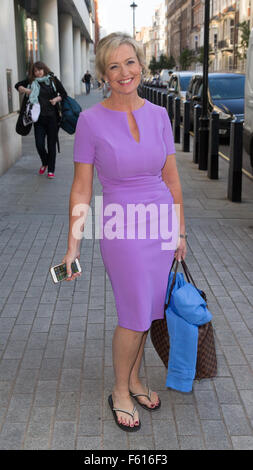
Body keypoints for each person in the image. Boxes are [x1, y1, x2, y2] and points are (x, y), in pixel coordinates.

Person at [62, 32, 187, 432]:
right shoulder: (90, 120)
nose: (124, 72)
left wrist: (179, 231)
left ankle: (134, 379)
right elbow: (82, 187)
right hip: (120, 224)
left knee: (149, 310)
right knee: (134, 314)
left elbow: (171, 178)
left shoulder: (160, 115)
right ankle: (119, 389)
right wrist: (73, 246)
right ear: (102, 73)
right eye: (113, 65)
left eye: (129, 62)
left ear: (141, 65)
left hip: (161, 222)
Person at [15, 61, 67, 179]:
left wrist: (56, 99)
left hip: (53, 118)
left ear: (44, 69)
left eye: (40, 70)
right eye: (35, 71)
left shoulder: (52, 80)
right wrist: (25, 90)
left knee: (51, 145)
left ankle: (51, 169)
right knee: (39, 144)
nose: (38, 73)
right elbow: (17, 85)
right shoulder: (31, 81)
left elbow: (64, 94)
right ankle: (45, 162)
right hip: (38, 119)